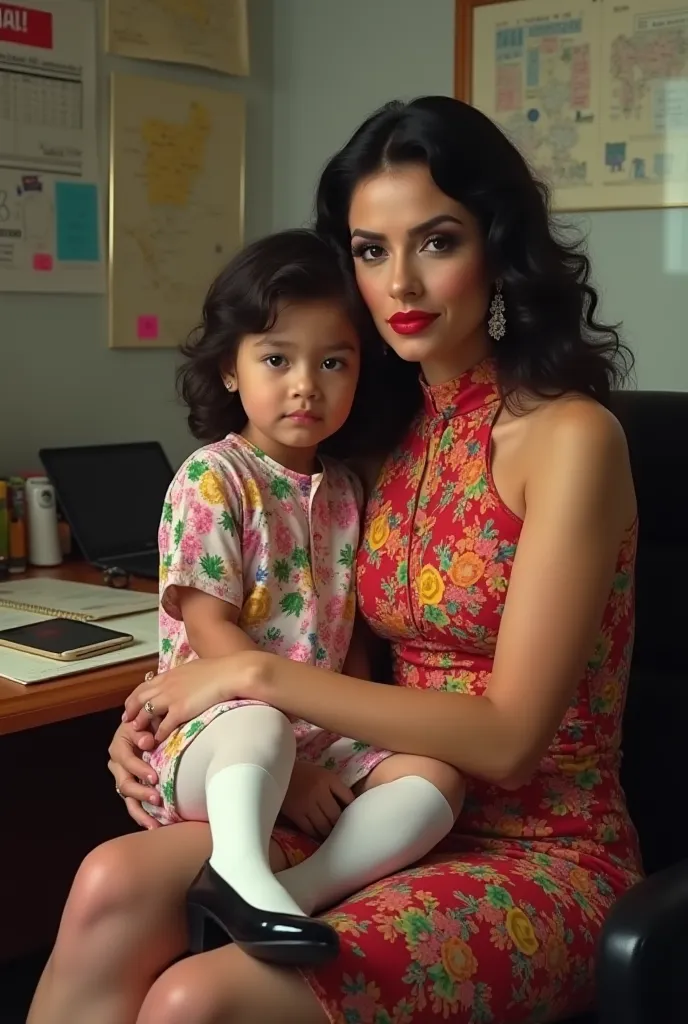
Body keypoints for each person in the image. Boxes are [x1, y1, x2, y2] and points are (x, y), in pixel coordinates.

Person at [29, 96, 641, 1024]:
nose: (399, 283)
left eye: (436, 241)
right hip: (366, 793)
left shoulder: (570, 438)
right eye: (369, 250)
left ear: (498, 247)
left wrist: (251, 676)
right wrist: (161, 727)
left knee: (198, 1001)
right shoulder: (368, 445)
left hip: (537, 847)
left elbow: (513, 739)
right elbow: (280, 621)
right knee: (109, 881)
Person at [132, 227, 464, 965]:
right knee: (261, 728)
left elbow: (346, 640)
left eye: (333, 362)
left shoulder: (346, 489)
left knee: (434, 780)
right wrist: (296, 779)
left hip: (315, 729)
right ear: (229, 368)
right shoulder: (213, 478)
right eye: (276, 359)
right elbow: (211, 630)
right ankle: (241, 872)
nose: (305, 384)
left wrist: (346, 746)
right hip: (212, 733)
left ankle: (300, 891)